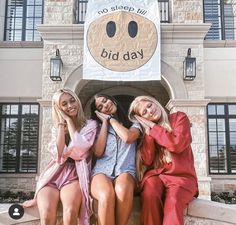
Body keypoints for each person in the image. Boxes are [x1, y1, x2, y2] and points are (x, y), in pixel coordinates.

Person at [22, 89, 97, 225]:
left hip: (75, 175)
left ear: (77, 101)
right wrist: (62, 125)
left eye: (72, 100)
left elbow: (80, 150)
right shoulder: (56, 129)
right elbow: (59, 155)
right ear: (58, 108)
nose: (70, 105)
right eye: (64, 104)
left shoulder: (90, 125)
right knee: (46, 216)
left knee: (70, 213)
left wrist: (69, 120)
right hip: (54, 175)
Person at [128, 96, 198, 225]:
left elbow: (176, 145)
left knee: (174, 199)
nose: (150, 111)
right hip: (157, 176)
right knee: (149, 194)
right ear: (143, 119)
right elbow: (148, 160)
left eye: (149, 105)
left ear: (155, 102)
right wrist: (149, 134)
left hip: (181, 177)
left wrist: (153, 127)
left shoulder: (178, 118)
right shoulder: (150, 132)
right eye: (144, 113)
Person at [90, 94, 141, 225]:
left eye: (105, 101)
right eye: (100, 107)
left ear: (113, 101)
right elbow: (98, 152)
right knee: (106, 194)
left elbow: (128, 137)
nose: (105, 105)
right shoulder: (98, 128)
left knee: (123, 190)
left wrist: (112, 120)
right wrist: (105, 123)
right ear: (99, 113)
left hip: (126, 171)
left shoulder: (134, 123)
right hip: (101, 172)